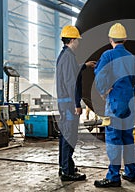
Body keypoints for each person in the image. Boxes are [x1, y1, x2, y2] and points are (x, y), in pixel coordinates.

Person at [93, 23, 135, 187]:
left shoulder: (108, 55)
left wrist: (104, 90)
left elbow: (99, 73)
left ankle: (113, 177)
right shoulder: (131, 57)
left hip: (115, 103)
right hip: (130, 102)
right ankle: (130, 173)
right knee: (128, 139)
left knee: (114, 140)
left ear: (111, 39)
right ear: (125, 39)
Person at [56, 25, 95, 181]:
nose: (78, 43)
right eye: (77, 40)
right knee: (69, 136)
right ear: (72, 40)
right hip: (69, 103)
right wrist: (76, 104)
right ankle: (67, 171)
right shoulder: (69, 57)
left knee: (65, 135)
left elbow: (71, 73)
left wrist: (84, 66)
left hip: (65, 102)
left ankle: (65, 166)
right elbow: (71, 82)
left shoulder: (64, 56)